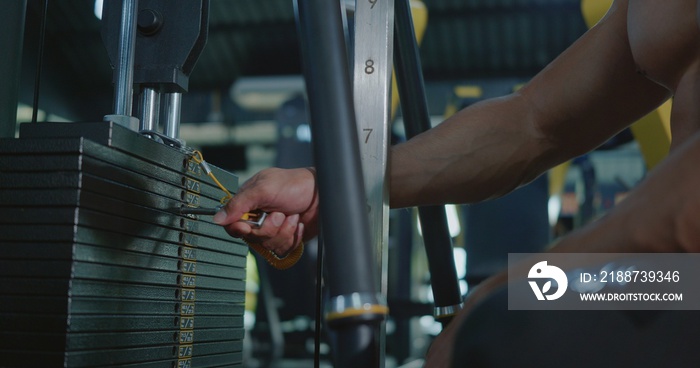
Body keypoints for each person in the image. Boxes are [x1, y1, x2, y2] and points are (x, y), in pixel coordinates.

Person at [213, 0, 700, 365]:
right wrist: (334, 187)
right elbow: (533, 124)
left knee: (504, 333)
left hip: (682, 280)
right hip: (680, 282)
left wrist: (517, 290)